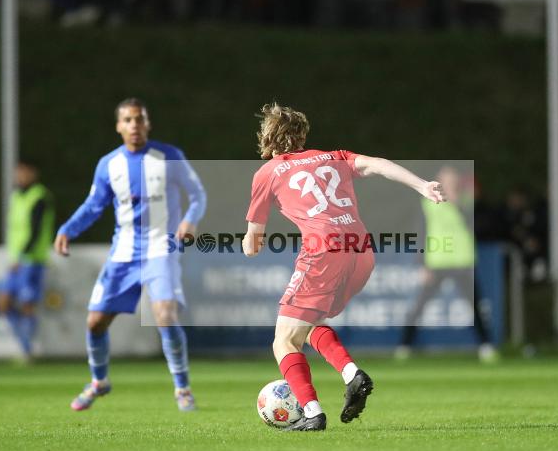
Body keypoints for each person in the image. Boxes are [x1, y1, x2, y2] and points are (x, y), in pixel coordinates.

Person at [242, 103, 444, 431]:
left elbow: (253, 243)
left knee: (283, 341)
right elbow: (376, 164)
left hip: (324, 251)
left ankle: (312, 413)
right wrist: (422, 185)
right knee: (308, 324)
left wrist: (249, 244)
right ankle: (352, 375)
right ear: (302, 135)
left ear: (266, 138)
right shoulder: (333, 156)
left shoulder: (268, 173)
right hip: (361, 250)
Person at [54, 98, 206, 412]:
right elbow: (93, 206)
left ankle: (183, 389)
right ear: (118, 126)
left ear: (148, 124)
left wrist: (190, 219)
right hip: (123, 252)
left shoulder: (169, 156)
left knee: (165, 315)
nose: (134, 125)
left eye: (139, 119)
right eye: (128, 120)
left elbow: (197, 194)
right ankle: (99, 382)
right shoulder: (109, 164)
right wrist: (68, 229)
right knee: (95, 322)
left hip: (161, 248)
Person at [395, 165, 497, 362]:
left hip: (462, 260)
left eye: (453, 179)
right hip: (438, 261)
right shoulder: (427, 202)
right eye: (446, 179)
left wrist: (457, 202)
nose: (450, 182)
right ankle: (404, 346)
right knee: (419, 306)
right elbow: (421, 232)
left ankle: (486, 346)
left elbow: (478, 224)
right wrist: (422, 263)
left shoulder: (466, 201)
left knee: (475, 305)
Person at [0, 160, 55, 361]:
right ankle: (25, 345)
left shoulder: (40, 196)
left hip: (32, 260)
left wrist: (21, 256)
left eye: (23, 172)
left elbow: (36, 231)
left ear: (33, 173)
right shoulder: (15, 196)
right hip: (16, 260)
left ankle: (27, 350)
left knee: (27, 304)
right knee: (3, 303)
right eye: (17, 172)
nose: (19, 176)